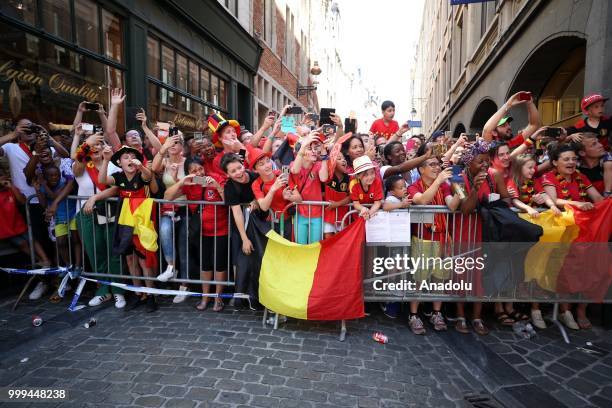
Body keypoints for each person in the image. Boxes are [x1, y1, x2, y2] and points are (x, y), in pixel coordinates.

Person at [541, 143, 604, 331]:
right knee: (565, 271)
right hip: (564, 233)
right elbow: (554, 201)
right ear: (554, 162)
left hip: (586, 233)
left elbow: (598, 199)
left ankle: (582, 310)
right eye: (566, 159)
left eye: (574, 159)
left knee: (592, 270)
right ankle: (565, 310)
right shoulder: (548, 177)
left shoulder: (581, 177)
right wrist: (578, 204)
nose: (571, 162)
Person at [457, 140, 512, 335]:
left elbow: (507, 198)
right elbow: (465, 209)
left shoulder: (494, 175)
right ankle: (461, 316)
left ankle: (477, 317)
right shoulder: (458, 178)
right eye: (480, 161)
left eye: (487, 161)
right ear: (469, 162)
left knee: (480, 274)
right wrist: (475, 189)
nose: (485, 165)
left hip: (486, 231)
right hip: (464, 232)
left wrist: (495, 203)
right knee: (462, 274)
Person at [0, 119, 57, 299]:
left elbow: (64, 156)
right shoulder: (11, 147)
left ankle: (59, 281)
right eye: (25, 127)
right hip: (26, 204)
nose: (29, 129)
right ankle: (43, 280)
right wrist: (14, 135)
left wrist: (45, 136)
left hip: (49, 201)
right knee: (37, 241)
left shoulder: (45, 147)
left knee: (56, 243)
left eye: (32, 126)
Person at [99, 145, 159, 312]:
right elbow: (102, 180)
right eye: (126, 157)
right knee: (130, 260)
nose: (130, 159)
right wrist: (105, 160)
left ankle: (151, 295)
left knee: (144, 260)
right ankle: (139, 294)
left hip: (143, 222)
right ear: (119, 162)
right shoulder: (118, 176)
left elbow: (149, 178)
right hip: (126, 221)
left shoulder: (142, 174)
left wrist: (141, 166)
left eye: (133, 156)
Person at [71, 129, 125, 309]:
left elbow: (116, 188)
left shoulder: (112, 165)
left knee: (113, 252)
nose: (96, 147)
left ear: (104, 148)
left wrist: (95, 198)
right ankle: (103, 291)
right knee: (95, 252)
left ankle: (118, 290)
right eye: (92, 145)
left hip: (110, 211)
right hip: (86, 214)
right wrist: (85, 144)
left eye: (98, 144)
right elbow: (76, 168)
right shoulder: (81, 164)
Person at [164, 158, 228, 312]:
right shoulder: (189, 184)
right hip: (201, 232)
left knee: (219, 264)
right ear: (189, 173)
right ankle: (205, 297)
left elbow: (228, 201)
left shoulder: (216, 178)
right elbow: (167, 197)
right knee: (204, 265)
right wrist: (182, 182)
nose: (199, 173)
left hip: (221, 229)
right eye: (194, 171)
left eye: (200, 169)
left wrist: (217, 186)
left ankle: (218, 298)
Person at [407, 157, 461, 334]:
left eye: (438, 165)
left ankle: (436, 313)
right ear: (421, 169)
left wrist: (460, 190)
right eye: (432, 165)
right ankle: (413, 315)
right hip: (423, 238)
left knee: (440, 278)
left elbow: (452, 206)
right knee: (419, 279)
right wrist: (438, 181)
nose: (437, 168)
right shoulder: (413, 186)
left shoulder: (444, 186)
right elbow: (421, 200)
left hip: (443, 237)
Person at [34, 164, 81, 301]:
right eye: (50, 176)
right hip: (60, 218)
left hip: (72, 214)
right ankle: (68, 265)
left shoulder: (64, 183)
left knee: (76, 240)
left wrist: (44, 184)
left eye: (56, 175)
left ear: (60, 175)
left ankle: (78, 264)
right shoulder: (44, 185)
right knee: (61, 242)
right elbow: (43, 204)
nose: (54, 178)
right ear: (46, 177)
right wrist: (38, 189)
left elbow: (54, 196)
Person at [152, 134, 190, 303]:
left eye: (177, 142)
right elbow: (153, 168)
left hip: (187, 208)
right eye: (171, 142)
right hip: (168, 208)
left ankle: (184, 285)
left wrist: (175, 181)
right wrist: (163, 148)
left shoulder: (188, 163)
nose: (173, 145)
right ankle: (171, 267)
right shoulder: (165, 162)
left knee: (183, 246)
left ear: (183, 146)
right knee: (165, 232)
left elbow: (188, 187)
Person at [221, 153, 261, 308]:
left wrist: (257, 200)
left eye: (239, 167)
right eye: (233, 171)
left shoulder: (255, 176)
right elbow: (237, 213)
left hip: (260, 224)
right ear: (227, 174)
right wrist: (244, 239)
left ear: (243, 164)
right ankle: (240, 295)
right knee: (240, 260)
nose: (238, 172)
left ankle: (256, 295)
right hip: (240, 227)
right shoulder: (229, 187)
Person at [0, 168, 48, 263]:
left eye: (3, 174)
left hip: (17, 223)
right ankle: (39, 261)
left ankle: (46, 260)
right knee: (22, 244)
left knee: (32, 240)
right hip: (5, 227)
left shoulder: (11, 189)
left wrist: (11, 187)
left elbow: (22, 201)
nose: (3, 177)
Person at [290, 134, 329, 244]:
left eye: (315, 148)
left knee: (314, 246)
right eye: (309, 148)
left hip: (316, 213)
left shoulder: (318, 165)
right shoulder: (294, 164)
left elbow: (324, 177)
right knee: (300, 245)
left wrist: (324, 153)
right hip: (300, 212)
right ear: (300, 152)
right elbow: (295, 171)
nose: (314, 151)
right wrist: (303, 145)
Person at [323, 152, 351, 239]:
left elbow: (351, 197)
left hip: (343, 215)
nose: (343, 160)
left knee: (342, 241)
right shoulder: (328, 176)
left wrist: (337, 204)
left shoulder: (349, 178)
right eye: (339, 159)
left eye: (343, 159)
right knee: (329, 240)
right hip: (329, 215)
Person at [349, 156, 382, 220]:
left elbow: (377, 202)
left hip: (374, 214)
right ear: (357, 176)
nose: (370, 177)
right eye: (365, 175)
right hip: (359, 215)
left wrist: (369, 213)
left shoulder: (377, 181)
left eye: (372, 173)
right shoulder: (353, 184)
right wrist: (363, 209)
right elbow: (356, 203)